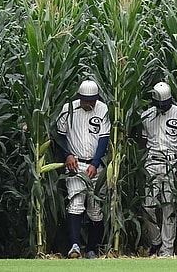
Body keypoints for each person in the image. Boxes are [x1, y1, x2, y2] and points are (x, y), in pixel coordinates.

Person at [56, 80, 111, 260]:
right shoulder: (68, 109)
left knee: (95, 209)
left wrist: (95, 163)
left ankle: (92, 249)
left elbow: (103, 138)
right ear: (79, 97)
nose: (90, 104)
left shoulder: (102, 109)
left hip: (96, 166)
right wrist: (67, 155)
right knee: (75, 204)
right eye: (87, 100)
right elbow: (59, 134)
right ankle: (74, 246)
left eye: (93, 100)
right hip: (75, 165)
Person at [140, 81, 177, 257]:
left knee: (170, 209)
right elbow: (143, 143)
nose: (162, 108)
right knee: (148, 206)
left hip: (172, 163)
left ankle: (167, 250)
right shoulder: (147, 115)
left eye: (164, 105)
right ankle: (156, 241)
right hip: (152, 163)